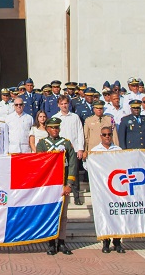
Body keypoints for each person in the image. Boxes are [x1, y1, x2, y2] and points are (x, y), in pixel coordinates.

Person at [36, 117, 77, 256]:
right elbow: (39, 164)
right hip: (49, 185)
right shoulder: (42, 144)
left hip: (62, 184)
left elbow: (72, 164)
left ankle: (62, 242)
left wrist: (69, 184)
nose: (55, 130)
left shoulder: (66, 143)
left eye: (57, 127)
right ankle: (51, 243)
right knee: (50, 214)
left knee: (63, 215)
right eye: (52, 127)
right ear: (47, 129)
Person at [84, 125, 124, 254]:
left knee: (117, 215)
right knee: (105, 215)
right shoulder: (95, 150)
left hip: (116, 188)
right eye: (105, 135)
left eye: (109, 134)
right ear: (101, 136)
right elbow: (88, 167)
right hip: (102, 188)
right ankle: (106, 242)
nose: (107, 137)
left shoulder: (118, 150)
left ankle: (117, 242)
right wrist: (85, 159)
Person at [52, 95, 84, 205]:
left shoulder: (75, 117)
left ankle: (76, 196)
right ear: (58, 105)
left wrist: (80, 148)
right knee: (62, 172)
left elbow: (80, 132)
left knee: (74, 172)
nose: (64, 105)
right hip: (61, 149)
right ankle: (62, 195)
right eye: (61, 104)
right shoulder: (56, 117)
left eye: (65, 103)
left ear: (68, 104)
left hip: (74, 148)